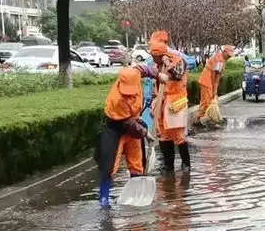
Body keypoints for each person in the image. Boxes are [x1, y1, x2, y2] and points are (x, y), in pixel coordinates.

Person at [95, 63, 161, 208]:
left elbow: (144, 69)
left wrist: (157, 74)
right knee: (110, 164)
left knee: (136, 162)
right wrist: (145, 133)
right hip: (116, 128)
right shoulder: (117, 101)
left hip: (132, 126)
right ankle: (104, 198)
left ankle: (136, 191)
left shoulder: (135, 74)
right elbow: (128, 123)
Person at [149, 32, 190, 172]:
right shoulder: (157, 65)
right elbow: (155, 84)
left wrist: (167, 64)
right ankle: (168, 165)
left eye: (155, 57)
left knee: (178, 134)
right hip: (161, 101)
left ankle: (186, 164)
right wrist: (153, 102)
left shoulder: (178, 61)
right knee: (163, 134)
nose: (154, 60)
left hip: (175, 103)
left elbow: (178, 76)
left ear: (162, 55)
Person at [195, 45, 236, 125]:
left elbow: (216, 76)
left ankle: (202, 119)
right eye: (228, 54)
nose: (229, 57)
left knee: (207, 100)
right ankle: (201, 119)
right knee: (207, 101)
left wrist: (215, 90)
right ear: (224, 52)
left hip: (207, 80)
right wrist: (214, 89)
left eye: (230, 55)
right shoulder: (219, 60)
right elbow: (214, 75)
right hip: (207, 81)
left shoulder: (220, 58)